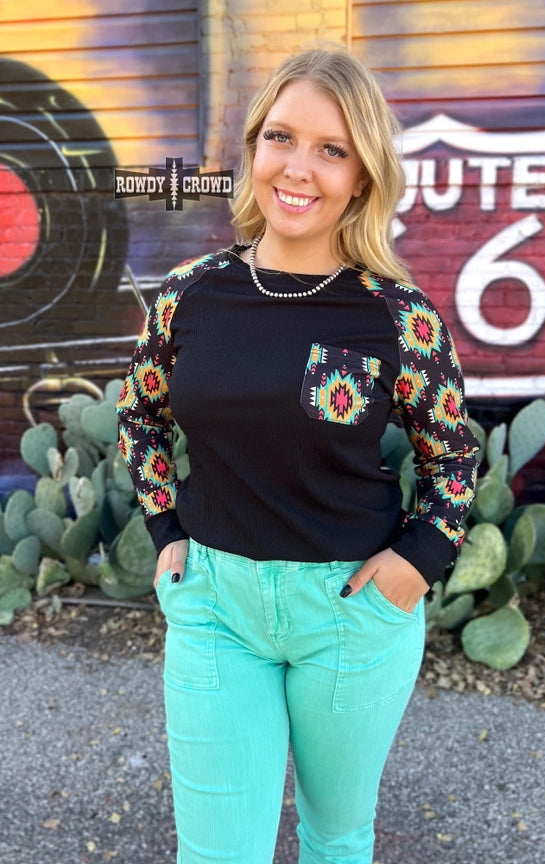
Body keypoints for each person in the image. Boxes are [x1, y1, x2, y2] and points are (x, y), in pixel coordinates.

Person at [117, 46, 479, 864]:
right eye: (280, 137)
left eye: (332, 149)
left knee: (336, 839)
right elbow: (138, 414)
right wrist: (165, 528)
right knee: (218, 854)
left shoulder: (398, 316)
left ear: (361, 176)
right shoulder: (189, 294)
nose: (298, 168)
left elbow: (454, 457)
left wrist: (417, 562)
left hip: (352, 615)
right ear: (253, 148)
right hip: (216, 610)